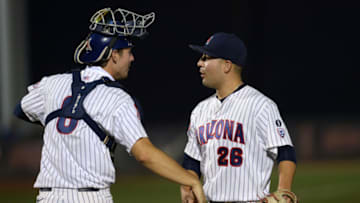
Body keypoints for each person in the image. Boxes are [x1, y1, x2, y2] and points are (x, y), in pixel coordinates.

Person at [14, 8, 206, 203]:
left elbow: (21, 109)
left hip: (47, 198)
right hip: (91, 198)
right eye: (129, 52)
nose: (132, 58)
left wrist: (64, 120)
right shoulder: (117, 98)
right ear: (114, 55)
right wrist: (190, 179)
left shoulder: (52, 84)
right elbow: (144, 154)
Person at [180, 32, 298, 203]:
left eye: (206, 58)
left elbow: (285, 151)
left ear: (227, 65)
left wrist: (283, 190)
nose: (199, 63)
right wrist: (188, 188)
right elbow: (192, 162)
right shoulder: (199, 111)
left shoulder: (261, 105)